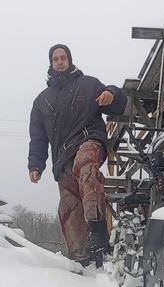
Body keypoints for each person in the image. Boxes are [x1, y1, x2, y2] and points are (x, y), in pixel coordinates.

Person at [28, 44, 127, 267]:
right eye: (56, 59)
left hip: (89, 140)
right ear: (51, 63)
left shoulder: (88, 84)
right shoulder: (42, 101)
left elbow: (117, 104)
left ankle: (99, 233)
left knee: (86, 165)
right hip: (62, 158)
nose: (60, 61)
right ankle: (82, 260)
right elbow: (38, 137)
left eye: (64, 57)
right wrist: (35, 164)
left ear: (70, 60)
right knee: (70, 206)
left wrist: (112, 93)